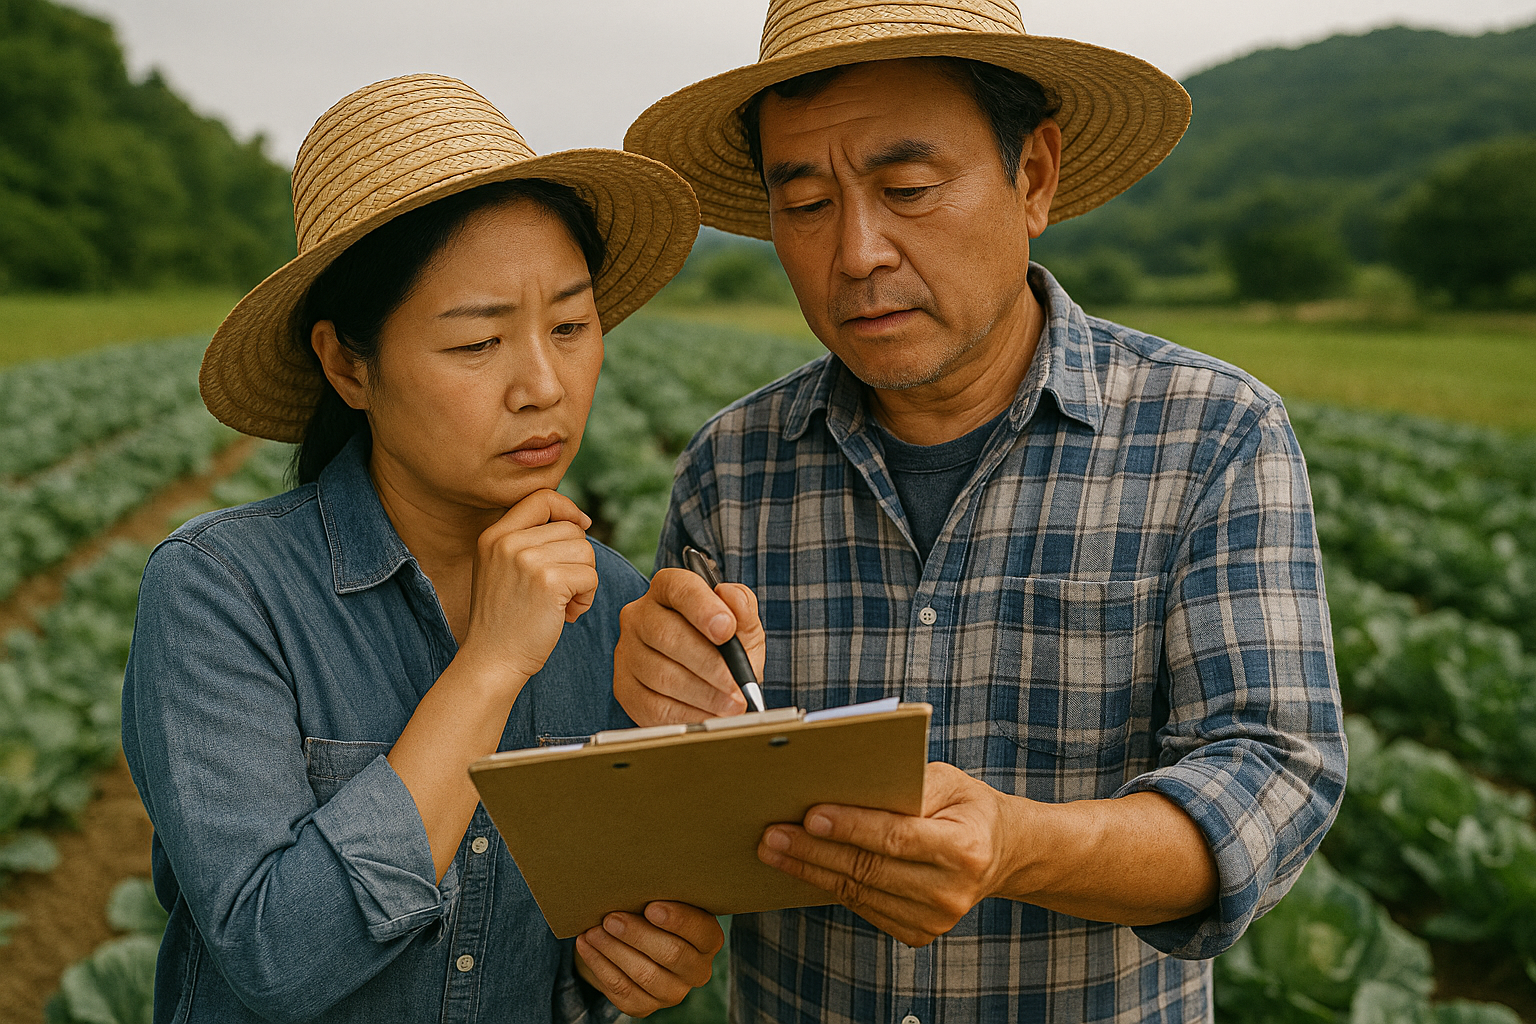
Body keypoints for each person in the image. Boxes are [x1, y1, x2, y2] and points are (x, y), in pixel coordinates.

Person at [614, 2, 1348, 1021]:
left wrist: (1020, 844)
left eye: (907, 188)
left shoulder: (1213, 436)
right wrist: (656, 716)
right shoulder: (731, 468)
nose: (858, 250)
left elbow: (1275, 776)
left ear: (1035, 174)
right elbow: (678, 815)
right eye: (808, 202)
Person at [121, 74, 719, 1023]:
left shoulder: (610, 601)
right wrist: (490, 665)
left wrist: (629, 968)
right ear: (347, 364)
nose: (542, 386)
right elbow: (277, 958)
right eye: (478, 344)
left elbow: (558, 958)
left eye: (570, 327)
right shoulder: (220, 592)